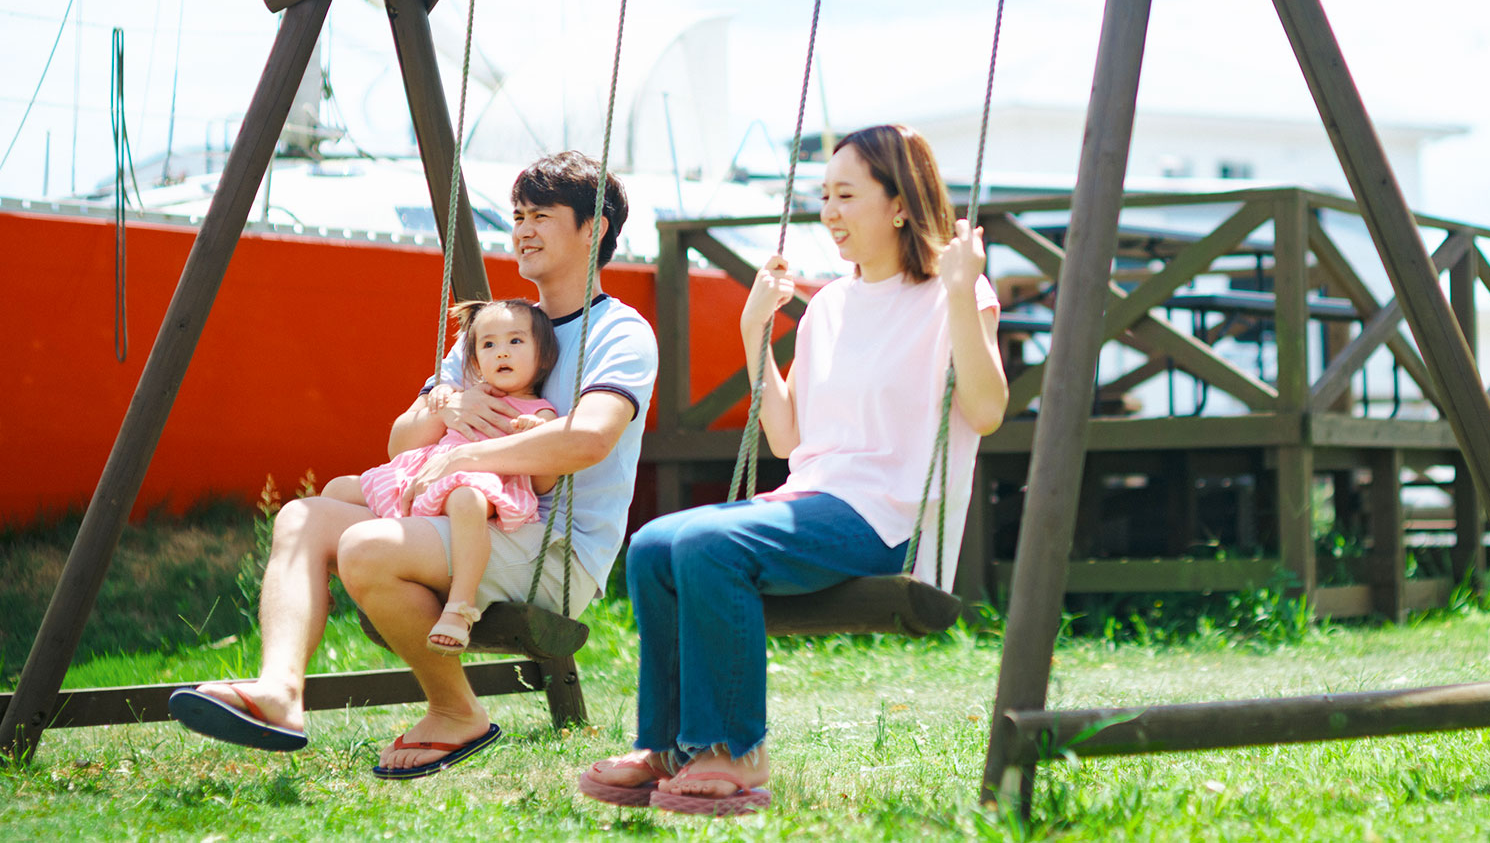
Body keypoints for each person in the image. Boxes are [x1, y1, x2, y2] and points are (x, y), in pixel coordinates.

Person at [168, 152, 658, 779]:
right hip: (466, 514)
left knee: (368, 548)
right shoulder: (491, 329)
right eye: (517, 216)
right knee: (302, 518)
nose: (523, 230)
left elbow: (588, 440)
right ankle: (280, 692)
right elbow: (402, 441)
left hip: (552, 547)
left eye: (542, 216)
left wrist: (473, 450)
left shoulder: (619, 332)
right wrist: (447, 402)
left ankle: (456, 712)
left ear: (593, 229)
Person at [579, 123, 1007, 816]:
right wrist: (756, 335)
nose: (828, 212)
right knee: (655, 545)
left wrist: (961, 292)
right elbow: (788, 436)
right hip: (814, 499)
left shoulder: (955, 294)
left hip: (889, 517)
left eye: (845, 194)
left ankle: (737, 752)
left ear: (898, 203)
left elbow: (986, 411)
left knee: (709, 546)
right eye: (823, 195)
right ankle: (669, 747)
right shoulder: (831, 304)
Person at [317, 298, 562, 654]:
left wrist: (534, 431)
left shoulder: (538, 410)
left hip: (477, 481)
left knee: (467, 500)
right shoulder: (465, 393)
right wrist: (444, 397)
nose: (502, 353)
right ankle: (327, 577)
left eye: (515, 341)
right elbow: (418, 427)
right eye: (489, 345)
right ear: (475, 362)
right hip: (425, 474)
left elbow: (545, 476)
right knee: (337, 489)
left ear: (544, 358)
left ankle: (460, 607)